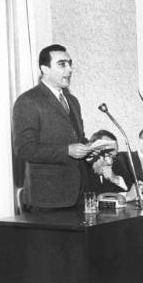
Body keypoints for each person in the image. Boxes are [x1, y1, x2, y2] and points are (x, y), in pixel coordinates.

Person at [14, 44, 90, 210]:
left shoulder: (73, 101)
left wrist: (90, 149)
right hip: (46, 199)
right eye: (62, 64)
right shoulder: (28, 101)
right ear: (44, 69)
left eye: (70, 63)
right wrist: (67, 150)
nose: (69, 69)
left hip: (77, 195)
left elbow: (77, 139)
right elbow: (24, 149)